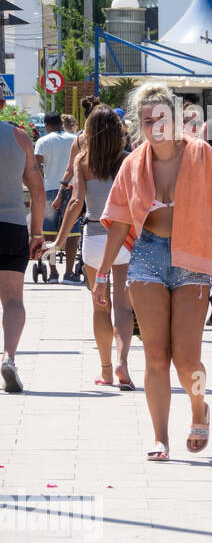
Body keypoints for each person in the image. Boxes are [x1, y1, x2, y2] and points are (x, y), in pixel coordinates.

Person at [96, 83, 212, 460]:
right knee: (154, 354)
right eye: (147, 119)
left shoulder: (200, 154)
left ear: (174, 117)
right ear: (140, 123)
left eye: (161, 117)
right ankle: (160, 437)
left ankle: (199, 408)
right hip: (147, 258)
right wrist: (102, 275)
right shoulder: (134, 163)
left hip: (192, 258)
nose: (155, 125)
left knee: (186, 358)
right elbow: (119, 221)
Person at [49, 105, 137, 390]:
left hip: (95, 238)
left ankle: (106, 370)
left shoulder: (83, 163)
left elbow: (75, 203)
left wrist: (59, 240)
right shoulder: (128, 160)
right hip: (124, 238)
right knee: (124, 307)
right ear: (118, 132)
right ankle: (123, 362)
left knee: (100, 307)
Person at [0, 118, 46, 393]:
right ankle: (9, 358)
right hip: (12, 226)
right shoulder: (19, 138)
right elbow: (38, 191)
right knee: (13, 299)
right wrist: (36, 233)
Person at [35, 112, 82, 282]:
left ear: (47, 125)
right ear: (61, 124)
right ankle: (69, 273)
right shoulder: (75, 139)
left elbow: (35, 164)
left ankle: (53, 272)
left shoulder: (43, 141)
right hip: (72, 188)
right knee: (73, 233)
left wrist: (43, 178)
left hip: (49, 190)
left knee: (48, 234)